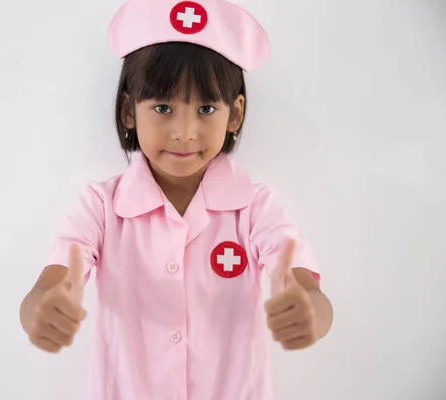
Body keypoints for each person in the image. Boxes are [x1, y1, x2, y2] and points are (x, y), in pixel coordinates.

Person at [20, 0, 334, 398]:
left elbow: (303, 286)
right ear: (128, 111)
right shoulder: (100, 207)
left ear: (234, 114)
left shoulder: (255, 209)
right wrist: (42, 310)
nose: (185, 132)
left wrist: (310, 311)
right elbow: (50, 285)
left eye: (206, 108)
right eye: (163, 107)